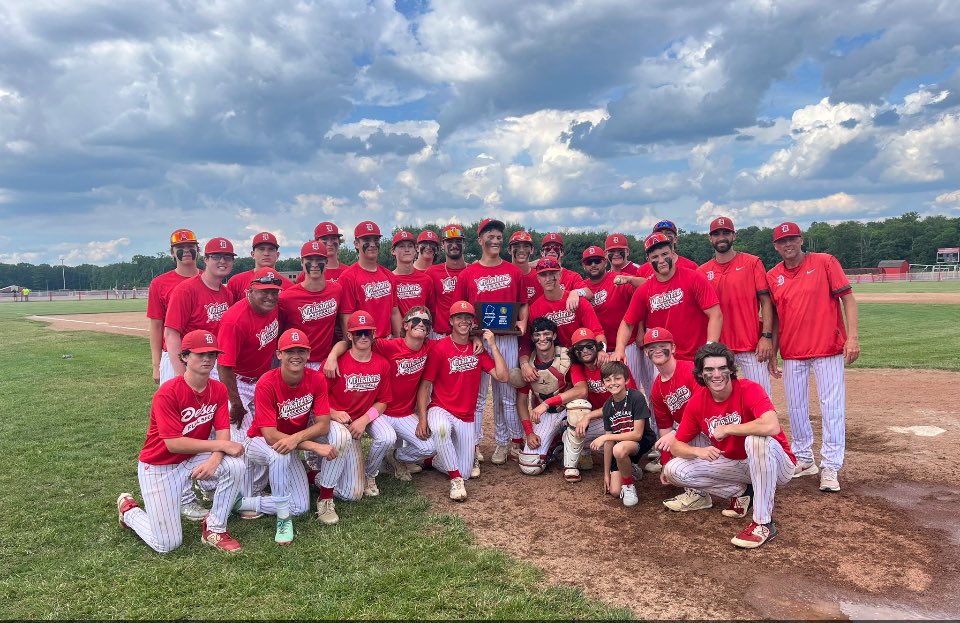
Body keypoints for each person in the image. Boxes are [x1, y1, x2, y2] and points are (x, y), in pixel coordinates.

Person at [116, 330, 245, 553]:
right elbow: (173, 443)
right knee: (166, 544)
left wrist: (215, 459)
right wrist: (220, 446)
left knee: (235, 465)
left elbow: (223, 430)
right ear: (184, 356)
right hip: (159, 465)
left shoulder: (218, 389)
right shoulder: (168, 392)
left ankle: (214, 529)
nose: (207, 359)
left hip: (192, 457)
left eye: (212, 354)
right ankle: (130, 512)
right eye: (200, 354)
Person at [662, 343, 797, 549]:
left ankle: (763, 523)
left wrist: (729, 428)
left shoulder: (749, 388)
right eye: (709, 370)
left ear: (731, 370)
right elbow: (677, 446)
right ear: (700, 374)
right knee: (674, 470)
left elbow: (771, 425)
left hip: (778, 465)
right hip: (738, 465)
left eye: (722, 368)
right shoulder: (697, 402)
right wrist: (697, 451)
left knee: (755, 439)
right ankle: (743, 492)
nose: (716, 375)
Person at [767, 222, 860, 493]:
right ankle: (805, 458)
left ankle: (831, 465)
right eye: (782, 241)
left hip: (828, 348)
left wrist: (852, 338)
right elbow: (774, 319)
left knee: (831, 407)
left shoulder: (825, 262)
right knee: (796, 408)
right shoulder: (773, 276)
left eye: (792, 239)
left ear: (801, 240)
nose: (788, 245)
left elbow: (848, 300)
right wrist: (773, 352)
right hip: (793, 351)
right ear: (775, 246)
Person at [239, 328, 341, 542]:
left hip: (291, 444)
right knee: (278, 455)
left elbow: (323, 425)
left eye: (301, 350)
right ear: (279, 354)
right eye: (290, 350)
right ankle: (283, 520)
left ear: (308, 353)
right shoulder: (267, 382)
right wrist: (313, 446)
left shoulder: (316, 379)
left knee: (300, 507)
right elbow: (269, 436)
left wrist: (295, 439)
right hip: (258, 442)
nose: (296, 355)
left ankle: (244, 503)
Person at [325, 307, 437, 482]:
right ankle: (370, 474)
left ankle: (394, 458)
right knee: (386, 438)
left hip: (404, 412)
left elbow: (456, 339)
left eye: (425, 322)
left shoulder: (429, 346)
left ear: (429, 329)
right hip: (382, 412)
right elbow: (350, 341)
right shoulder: (388, 346)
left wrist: (475, 337)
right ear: (406, 325)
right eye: (416, 320)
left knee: (430, 447)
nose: (421, 324)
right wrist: (332, 356)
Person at [453, 218, 529, 465]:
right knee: (476, 397)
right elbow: (459, 309)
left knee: (506, 393)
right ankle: (472, 445)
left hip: (506, 339)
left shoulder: (514, 271)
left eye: (498, 236)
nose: (495, 240)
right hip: (479, 341)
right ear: (480, 240)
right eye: (490, 236)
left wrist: (523, 322)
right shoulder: (468, 274)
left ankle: (508, 442)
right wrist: (472, 336)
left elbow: (523, 303)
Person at [416, 301, 508, 501]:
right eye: (459, 317)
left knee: (467, 470)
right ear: (451, 321)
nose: (464, 321)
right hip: (440, 408)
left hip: (466, 416)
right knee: (441, 430)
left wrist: (491, 345)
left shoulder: (478, 350)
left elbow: (503, 377)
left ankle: (434, 461)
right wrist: (423, 418)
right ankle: (455, 480)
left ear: (473, 322)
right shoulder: (440, 348)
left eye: (468, 318)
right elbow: (425, 386)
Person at [613, 232, 721, 363]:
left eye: (664, 254)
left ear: (673, 253)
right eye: (655, 257)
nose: (661, 260)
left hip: (697, 357)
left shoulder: (694, 278)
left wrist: (709, 347)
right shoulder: (644, 290)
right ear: (648, 260)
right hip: (666, 360)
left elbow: (715, 314)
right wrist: (619, 349)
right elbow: (627, 323)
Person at [698, 217, 774, 395]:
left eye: (726, 232)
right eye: (716, 234)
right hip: (718, 348)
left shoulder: (752, 262)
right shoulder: (702, 272)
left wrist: (766, 336)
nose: (721, 237)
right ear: (710, 238)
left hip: (751, 345)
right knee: (722, 399)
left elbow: (766, 301)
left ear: (734, 235)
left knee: (761, 396)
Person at [564, 245, 653, 398]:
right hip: (598, 350)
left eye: (597, 261)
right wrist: (574, 293)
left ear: (605, 262)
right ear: (583, 265)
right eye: (589, 262)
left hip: (626, 346)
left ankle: (644, 422)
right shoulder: (583, 287)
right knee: (608, 393)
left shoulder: (617, 278)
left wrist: (630, 279)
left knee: (633, 391)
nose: (593, 265)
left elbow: (649, 287)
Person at [325, 310, 393, 498]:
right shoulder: (336, 363)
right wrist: (333, 413)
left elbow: (383, 401)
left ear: (374, 334)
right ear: (349, 335)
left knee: (388, 437)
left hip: (361, 419)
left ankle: (369, 474)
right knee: (353, 494)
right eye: (358, 332)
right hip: (338, 421)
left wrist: (364, 420)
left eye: (367, 332)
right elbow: (316, 399)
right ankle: (319, 477)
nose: (363, 336)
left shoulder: (382, 364)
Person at [643, 327, 712, 512]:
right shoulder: (656, 389)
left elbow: (704, 408)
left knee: (682, 437)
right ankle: (700, 490)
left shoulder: (690, 369)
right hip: (690, 432)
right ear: (645, 352)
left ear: (673, 348)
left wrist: (676, 433)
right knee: (674, 457)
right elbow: (664, 428)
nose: (657, 350)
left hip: (712, 426)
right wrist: (666, 463)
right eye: (651, 347)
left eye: (662, 345)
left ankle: (699, 494)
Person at [217, 267, 281, 465]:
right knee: (242, 441)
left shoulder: (273, 308)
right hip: (237, 382)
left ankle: (258, 486)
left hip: (261, 380)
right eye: (264, 291)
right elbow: (224, 367)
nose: (270, 296)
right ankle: (235, 488)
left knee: (263, 435)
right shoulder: (234, 320)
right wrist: (235, 402)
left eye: (274, 291)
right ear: (250, 291)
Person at [512, 317, 586, 476]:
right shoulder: (528, 365)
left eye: (547, 334)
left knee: (580, 406)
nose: (542, 338)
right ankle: (556, 444)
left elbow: (581, 390)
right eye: (537, 335)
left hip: (569, 411)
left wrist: (547, 403)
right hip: (547, 415)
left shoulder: (568, 356)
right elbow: (521, 401)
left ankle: (574, 451)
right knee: (530, 466)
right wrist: (529, 432)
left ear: (554, 336)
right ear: (532, 338)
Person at [563, 327, 638, 482]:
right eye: (580, 348)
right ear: (575, 352)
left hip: (623, 417)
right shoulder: (578, 367)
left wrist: (589, 416)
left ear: (597, 347)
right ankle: (584, 454)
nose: (585, 350)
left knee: (621, 437)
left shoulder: (613, 364)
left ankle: (630, 462)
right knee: (569, 434)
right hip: (601, 419)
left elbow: (630, 400)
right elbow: (579, 391)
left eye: (589, 346)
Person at [164, 237, 236, 381]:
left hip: (209, 360)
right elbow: (171, 335)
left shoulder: (227, 294)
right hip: (184, 360)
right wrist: (182, 375)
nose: (222, 261)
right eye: (216, 256)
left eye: (228, 257)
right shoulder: (186, 290)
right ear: (205, 259)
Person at [589, 361, 656, 507]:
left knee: (619, 449)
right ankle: (630, 468)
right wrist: (606, 474)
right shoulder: (607, 406)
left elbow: (637, 434)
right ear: (603, 384)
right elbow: (608, 444)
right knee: (614, 491)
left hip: (642, 441)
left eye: (617, 378)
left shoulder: (636, 397)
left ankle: (629, 486)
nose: (613, 383)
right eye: (608, 380)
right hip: (621, 445)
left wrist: (607, 436)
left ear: (626, 380)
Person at [147, 228, 201, 385]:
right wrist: (156, 366)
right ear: (172, 252)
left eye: (190, 246)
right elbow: (157, 326)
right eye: (180, 248)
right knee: (175, 404)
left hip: (207, 353)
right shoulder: (159, 283)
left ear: (197, 250)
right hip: (173, 355)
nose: (186, 251)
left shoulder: (208, 278)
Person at [278, 241, 343, 368]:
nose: (314, 265)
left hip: (327, 361)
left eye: (319, 259)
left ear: (326, 262)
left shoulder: (336, 290)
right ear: (302, 262)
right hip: (298, 362)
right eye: (309, 260)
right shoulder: (287, 297)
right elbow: (278, 333)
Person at [338, 221, 401, 339]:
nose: (372, 244)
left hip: (387, 340)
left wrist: (399, 341)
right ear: (356, 243)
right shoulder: (348, 277)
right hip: (363, 342)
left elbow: (394, 312)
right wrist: (353, 345)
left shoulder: (388, 275)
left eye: (376, 240)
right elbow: (346, 317)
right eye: (367, 240)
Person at [425, 224, 468, 340]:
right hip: (440, 334)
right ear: (443, 245)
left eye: (458, 241)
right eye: (449, 242)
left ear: (464, 244)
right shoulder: (432, 272)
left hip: (468, 334)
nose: (454, 245)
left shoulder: (473, 270)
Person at [225, 232, 295, 302]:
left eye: (271, 249)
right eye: (261, 249)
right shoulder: (236, 281)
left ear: (277, 255)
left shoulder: (290, 286)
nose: (266, 253)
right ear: (253, 254)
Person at [391, 230, 436, 317]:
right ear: (393, 251)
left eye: (410, 246)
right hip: (398, 330)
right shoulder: (389, 279)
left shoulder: (426, 280)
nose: (407, 250)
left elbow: (431, 312)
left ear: (416, 250)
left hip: (422, 328)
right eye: (401, 246)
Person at [635, 220, 700, 277]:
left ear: (675, 239)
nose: (664, 236)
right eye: (659, 234)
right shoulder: (642, 270)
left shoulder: (691, 266)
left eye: (668, 233)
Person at [508, 230, 541, 303]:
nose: (521, 250)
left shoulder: (540, 277)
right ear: (509, 250)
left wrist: (573, 293)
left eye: (526, 246)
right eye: (517, 246)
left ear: (532, 250)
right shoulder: (502, 277)